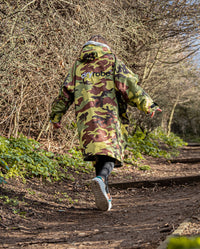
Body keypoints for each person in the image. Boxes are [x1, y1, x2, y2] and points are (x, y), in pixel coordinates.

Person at [50, 35, 162, 211]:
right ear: (105, 46)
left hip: (86, 119)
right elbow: (129, 85)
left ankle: (105, 196)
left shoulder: (77, 67)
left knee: (99, 154)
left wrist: (56, 116)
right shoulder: (112, 61)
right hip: (109, 117)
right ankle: (102, 180)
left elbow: (65, 93)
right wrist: (148, 105)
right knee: (110, 152)